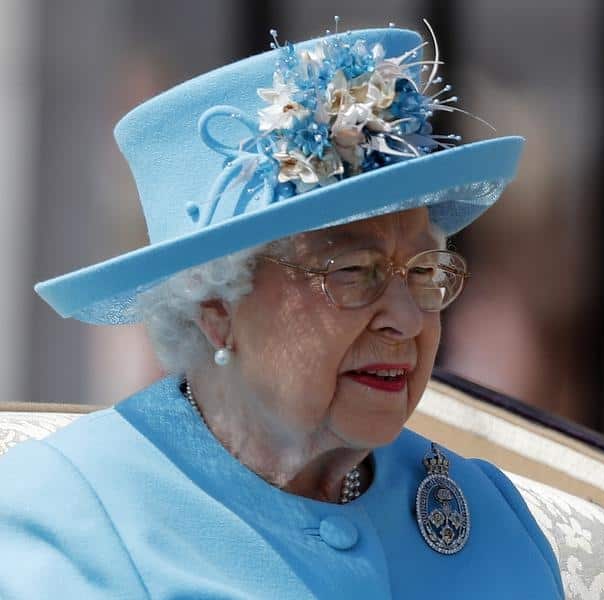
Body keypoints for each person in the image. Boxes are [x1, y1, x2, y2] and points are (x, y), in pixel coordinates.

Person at [0, 22, 564, 599]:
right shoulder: (70, 516)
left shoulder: (490, 517)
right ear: (216, 305)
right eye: (353, 271)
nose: (408, 319)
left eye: (423, 273)